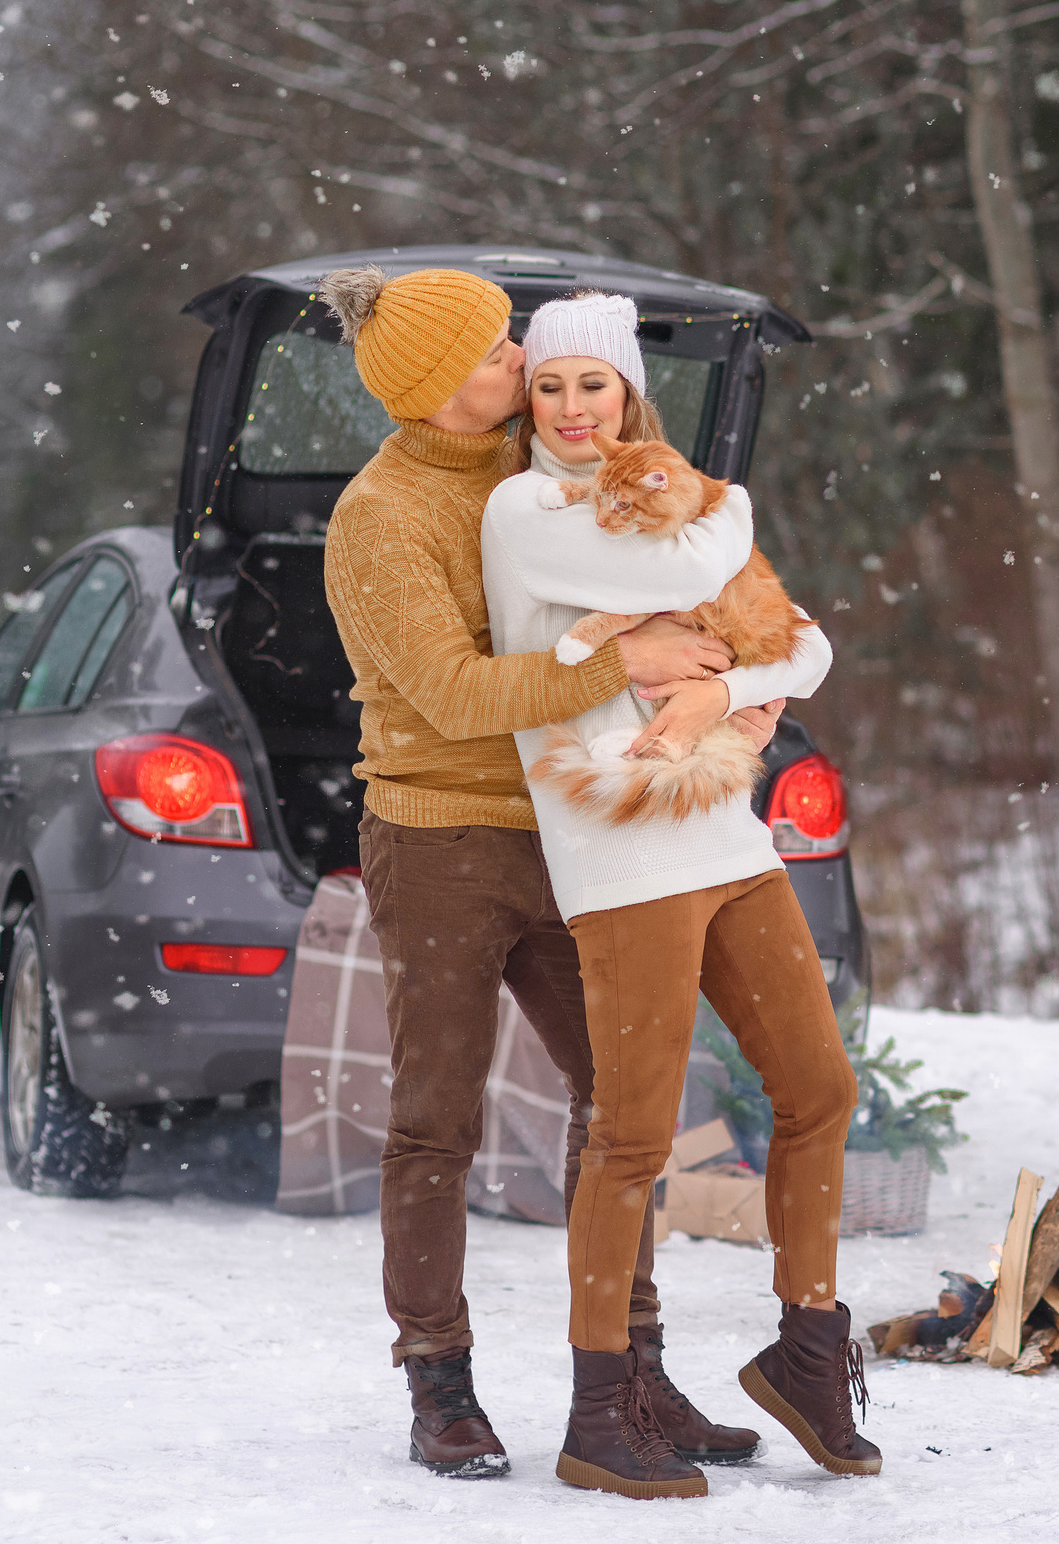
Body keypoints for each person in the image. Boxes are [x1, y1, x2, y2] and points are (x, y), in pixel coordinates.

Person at [316, 264, 770, 1479]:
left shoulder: (551, 470)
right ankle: (438, 1379)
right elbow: (455, 694)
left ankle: (632, 1369)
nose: (519, 360)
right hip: (443, 840)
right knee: (437, 1117)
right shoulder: (379, 516)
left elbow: (686, 579)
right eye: (491, 351)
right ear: (432, 387)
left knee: (622, 1102)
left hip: (577, 828)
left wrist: (730, 675)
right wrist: (631, 659)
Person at [480, 292, 876, 1501]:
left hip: (723, 833)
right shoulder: (528, 510)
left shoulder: (662, 496)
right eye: (550, 386)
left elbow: (806, 645)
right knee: (634, 1134)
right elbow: (706, 557)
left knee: (819, 1085)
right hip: (622, 845)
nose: (572, 408)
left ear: (628, 392)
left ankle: (806, 1347)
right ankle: (598, 1409)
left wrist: (717, 692)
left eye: (594, 384)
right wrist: (727, 501)